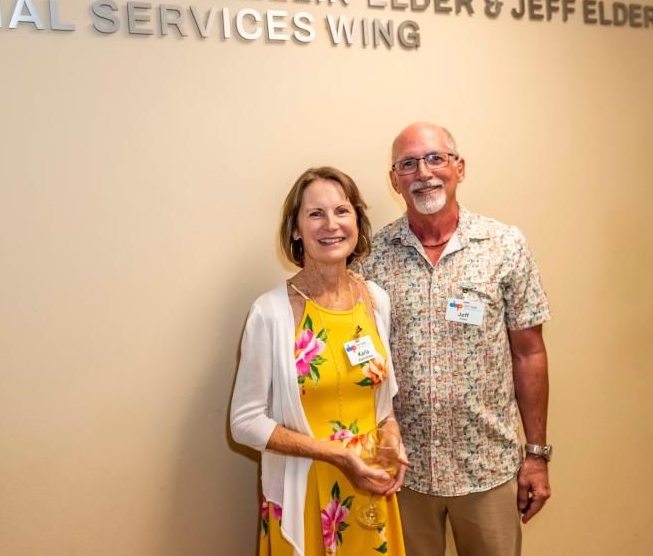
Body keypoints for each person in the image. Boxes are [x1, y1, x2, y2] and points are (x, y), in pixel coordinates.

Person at [359, 122, 552, 556]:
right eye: (408, 164)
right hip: (403, 472)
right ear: (394, 180)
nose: (423, 173)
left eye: (435, 159)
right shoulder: (372, 256)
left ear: (459, 168)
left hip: (487, 469)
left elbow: (529, 353)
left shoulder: (504, 245)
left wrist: (536, 455)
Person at [230, 167, 409, 556]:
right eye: (315, 214)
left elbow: (382, 405)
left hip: (369, 492)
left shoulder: (376, 300)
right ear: (295, 230)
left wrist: (391, 437)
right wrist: (337, 455)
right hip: (304, 495)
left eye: (342, 211)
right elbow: (244, 422)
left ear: (358, 222)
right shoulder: (270, 312)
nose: (331, 224)